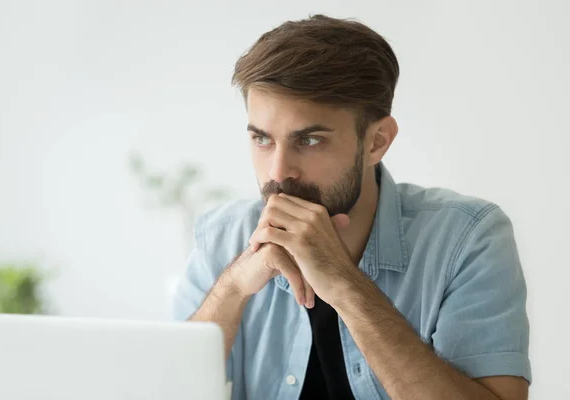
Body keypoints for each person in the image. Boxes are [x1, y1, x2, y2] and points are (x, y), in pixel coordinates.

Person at [172, 14, 531, 400]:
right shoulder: (222, 237)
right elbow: (161, 389)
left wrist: (345, 283)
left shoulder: (467, 238)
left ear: (377, 141)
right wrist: (233, 288)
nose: (278, 173)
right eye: (262, 139)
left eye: (309, 141)